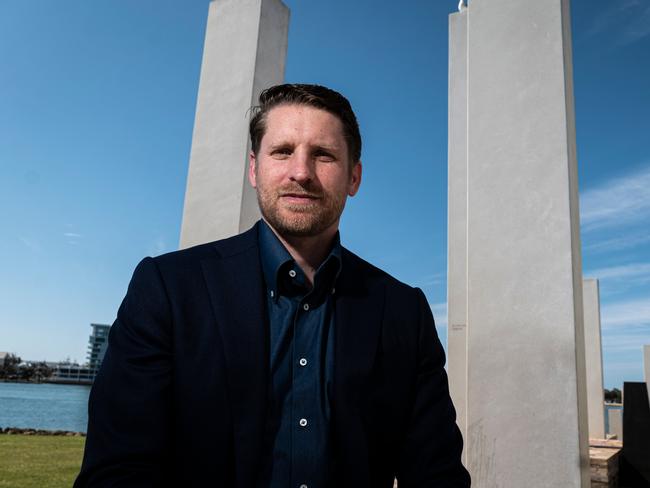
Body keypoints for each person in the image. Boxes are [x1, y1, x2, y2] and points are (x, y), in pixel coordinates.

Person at [75, 83, 470, 488]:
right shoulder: (167, 289)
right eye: (282, 151)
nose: (301, 172)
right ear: (253, 168)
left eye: (324, 155)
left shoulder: (404, 311)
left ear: (354, 177)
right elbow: (116, 472)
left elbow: (437, 476)